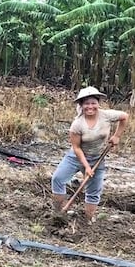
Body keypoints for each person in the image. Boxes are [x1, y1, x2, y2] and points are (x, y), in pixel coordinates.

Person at [51, 86, 129, 222]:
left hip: (97, 158)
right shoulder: (77, 124)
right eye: (86, 103)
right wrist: (86, 166)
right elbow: (76, 148)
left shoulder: (106, 116)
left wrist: (117, 136)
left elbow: (124, 117)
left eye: (93, 103)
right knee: (58, 179)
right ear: (81, 105)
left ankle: (88, 220)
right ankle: (59, 213)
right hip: (76, 157)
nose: (90, 106)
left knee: (93, 191)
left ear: (98, 103)